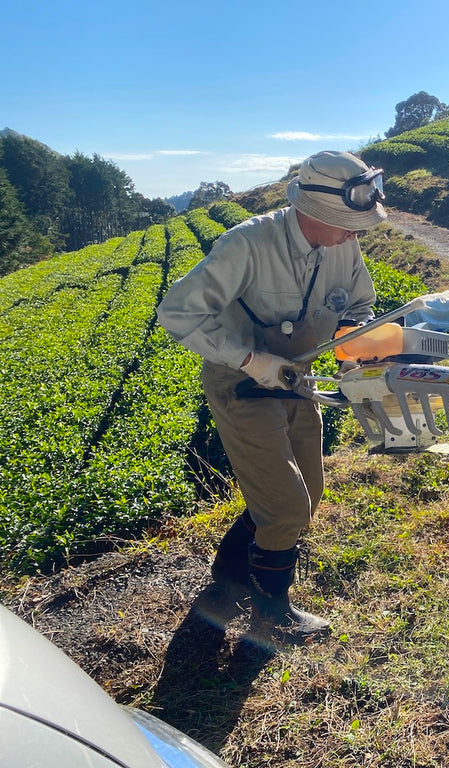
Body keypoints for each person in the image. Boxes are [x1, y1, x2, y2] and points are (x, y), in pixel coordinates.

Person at [156, 150, 387, 641]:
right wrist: (253, 362)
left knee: (308, 491)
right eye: (348, 222)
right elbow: (177, 312)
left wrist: (356, 345)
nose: (355, 232)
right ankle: (271, 613)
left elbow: (361, 304)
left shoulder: (344, 246)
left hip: (296, 379)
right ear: (314, 210)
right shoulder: (248, 243)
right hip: (240, 381)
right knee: (284, 506)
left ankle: (231, 573)